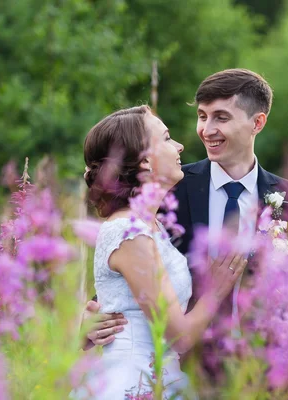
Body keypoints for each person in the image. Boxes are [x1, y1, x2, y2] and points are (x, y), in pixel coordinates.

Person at [84, 68, 288, 347]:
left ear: (258, 123)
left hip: (263, 370)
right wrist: (91, 318)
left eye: (221, 117)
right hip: (190, 368)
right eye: (202, 116)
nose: (206, 130)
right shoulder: (167, 190)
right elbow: (130, 265)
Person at [72, 105, 247, 399]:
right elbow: (178, 336)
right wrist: (215, 291)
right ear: (144, 162)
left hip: (165, 377)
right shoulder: (130, 232)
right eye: (167, 138)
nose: (179, 145)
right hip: (134, 383)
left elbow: (121, 298)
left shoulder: (153, 225)